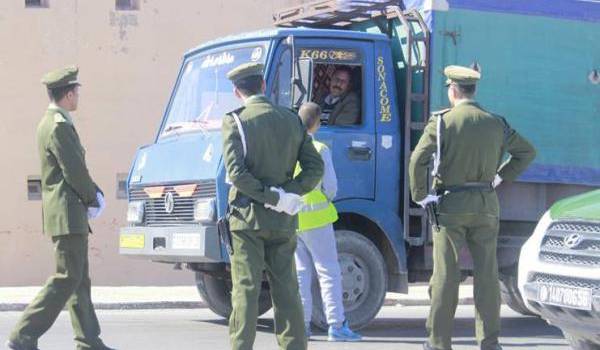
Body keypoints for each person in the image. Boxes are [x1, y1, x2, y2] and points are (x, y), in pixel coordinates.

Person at [409, 65, 536, 350]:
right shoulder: (495, 122)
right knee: (487, 276)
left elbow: (418, 159)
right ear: (473, 90)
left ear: (453, 90)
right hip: (486, 204)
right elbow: (526, 152)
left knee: (445, 276)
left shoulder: (442, 122)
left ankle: (439, 342)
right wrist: (500, 176)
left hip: (450, 205)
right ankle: (489, 342)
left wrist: (421, 196)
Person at [7, 66, 112, 350]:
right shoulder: (58, 125)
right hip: (67, 212)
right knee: (67, 277)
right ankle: (23, 334)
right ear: (67, 94)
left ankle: (88, 339)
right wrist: (93, 197)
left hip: (68, 211)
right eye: (76, 91)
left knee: (79, 279)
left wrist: (93, 194)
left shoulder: (53, 122)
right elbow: (74, 170)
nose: (78, 96)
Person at [222, 62, 324, 350]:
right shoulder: (291, 119)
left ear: (236, 91)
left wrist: (272, 196)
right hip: (282, 220)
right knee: (287, 290)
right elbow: (315, 168)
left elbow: (237, 175)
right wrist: (287, 194)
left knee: (246, 289)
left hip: (247, 220)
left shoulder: (235, 121)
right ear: (264, 85)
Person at [294, 102, 362, 342]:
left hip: (293, 219)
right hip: (317, 217)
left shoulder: (287, 147)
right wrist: (324, 198)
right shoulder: (320, 148)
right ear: (317, 122)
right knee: (328, 271)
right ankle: (336, 325)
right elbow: (330, 187)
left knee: (300, 273)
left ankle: (301, 326)